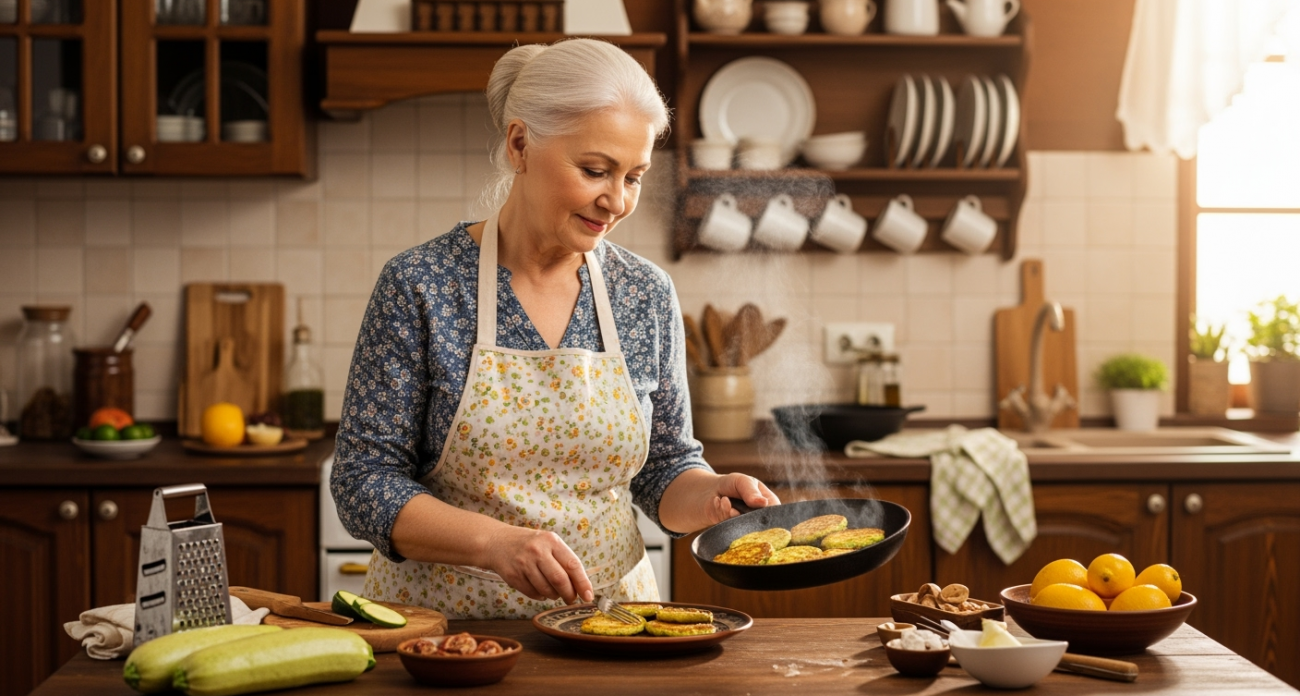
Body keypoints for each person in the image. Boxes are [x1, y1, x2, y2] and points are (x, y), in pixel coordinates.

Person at [331, 38, 780, 620]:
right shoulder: (422, 284)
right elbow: (362, 481)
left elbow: (665, 466)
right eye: (595, 170)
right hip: (447, 635)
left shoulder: (643, 294)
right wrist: (494, 544)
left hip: (613, 627)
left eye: (634, 177)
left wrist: (711, 494)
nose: (615, 200)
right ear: (520, 144)